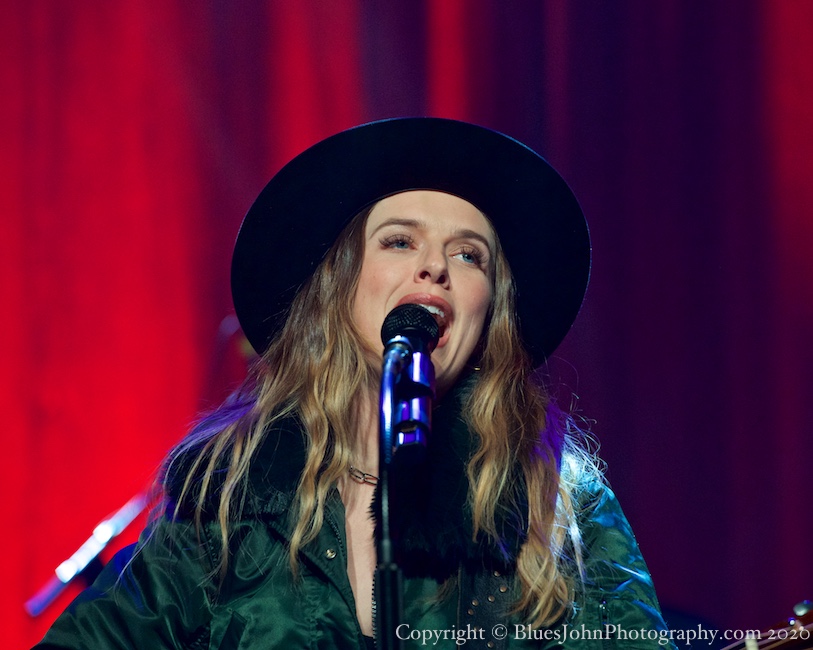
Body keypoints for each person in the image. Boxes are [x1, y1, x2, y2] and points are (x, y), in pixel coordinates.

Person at [36, 118, 674, 649]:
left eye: (468, 254)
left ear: (490, 311)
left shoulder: (556, 494)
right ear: (339, 288)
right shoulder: (231, 492)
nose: (434, 267)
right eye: (400, 241)